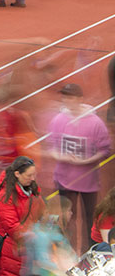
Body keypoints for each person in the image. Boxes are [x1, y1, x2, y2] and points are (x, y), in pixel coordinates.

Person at [48, 82, 111, 250]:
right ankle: (65, 252)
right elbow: (53, 148)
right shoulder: (58, 120)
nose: (67, 100)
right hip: (64, 179)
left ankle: (94, 251)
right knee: (66, 218)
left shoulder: (95, 122)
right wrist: (64, 157)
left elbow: (105, 150)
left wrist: (86, 161)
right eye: (64, 97)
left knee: (90, 218)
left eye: (70, 97)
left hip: (88, 181)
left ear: (79, 99)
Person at [0, 156, 40, 276]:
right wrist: (34, 236)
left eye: (34, 174)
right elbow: (12, 226)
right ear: (17, 174)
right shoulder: (5, 196)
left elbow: (42, 213)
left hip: (27, 246)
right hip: (12, 249)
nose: (33, 178)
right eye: (29, 175)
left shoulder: (31, 190)